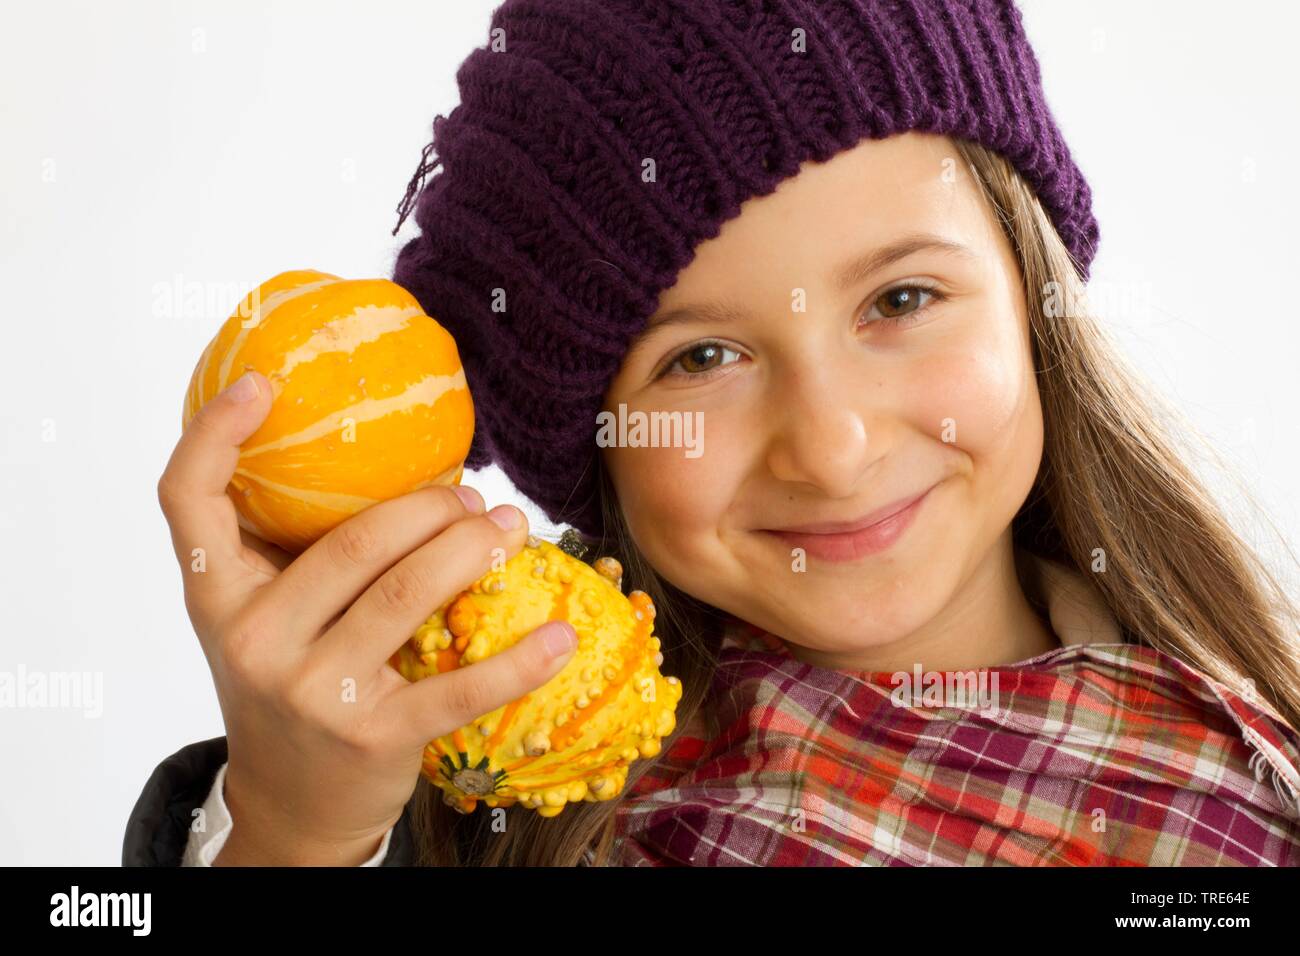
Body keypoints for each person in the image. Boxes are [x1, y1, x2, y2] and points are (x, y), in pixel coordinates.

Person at [125, 0, 1300, 867]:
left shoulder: (1249, 761)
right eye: (701, 358)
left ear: (1033, 293)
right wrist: (294, 820)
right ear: (594, 438)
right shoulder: (498, 804)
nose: (831, 446)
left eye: (899, 300)